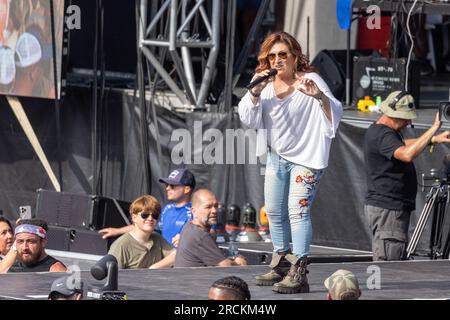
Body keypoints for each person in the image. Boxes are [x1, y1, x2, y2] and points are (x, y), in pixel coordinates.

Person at [238, 31, 343, 294]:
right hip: (277, 155)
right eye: (271, 55)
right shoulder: (262, 82)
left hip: (306, 159)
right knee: (273, 210)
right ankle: (281, 262)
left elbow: (335, 111)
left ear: (295, 56)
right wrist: (253, 94)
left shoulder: (310, 79)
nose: (277, 60)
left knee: (297, 211)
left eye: (283, 54)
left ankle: (300, 270)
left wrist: (318, 97)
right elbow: (247, 119)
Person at [364, 91, 450, 261]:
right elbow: (406, 154)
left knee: (393, 255)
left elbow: (400, 145)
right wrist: (434, 128)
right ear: (392, 115)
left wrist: (434, 139)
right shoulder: (382, 134)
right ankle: (387, 288)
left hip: (390, 209)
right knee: (390, 263)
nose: (409, 122)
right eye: (405, 118)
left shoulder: (381, 131)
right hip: (389, 209)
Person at [99, 168, 199, 247]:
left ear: (186, 189)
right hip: (163, 258)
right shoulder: (167, 209)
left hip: (181, 263)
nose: (167, 188)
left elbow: (209, 234)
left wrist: (186, 238)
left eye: (172, 185)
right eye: (167, 185)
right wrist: (117, 231)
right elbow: (145, 225)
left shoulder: (195, 211)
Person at [174, 189, 247, 267]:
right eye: (208, 207)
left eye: (216, 206)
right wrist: (238, 262)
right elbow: (226, 266)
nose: (214, 211)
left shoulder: (189, 226)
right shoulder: (200, 235)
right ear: (194, 211)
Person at [108, 195, 176, 269]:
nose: (150, 218)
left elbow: (176, 255)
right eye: (145, 215)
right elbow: (112, 277)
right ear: (134, 218)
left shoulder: (157, 238)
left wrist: (154, 268)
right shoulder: (121, 246)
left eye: (155, 215)